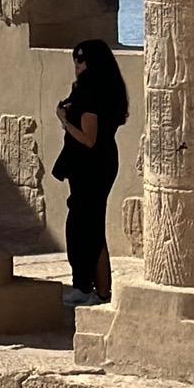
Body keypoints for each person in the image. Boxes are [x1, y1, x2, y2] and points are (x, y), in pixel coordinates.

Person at [53, 39, 128, 309]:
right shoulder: (107, 89)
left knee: (86, 229)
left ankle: (91, 287)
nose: (77, 66)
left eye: (81, 61)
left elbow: (88, 139)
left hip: (91, 167)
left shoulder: (90, 93)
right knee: (88, 226)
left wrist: (64, 120)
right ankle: (93, 287)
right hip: (100, 163)